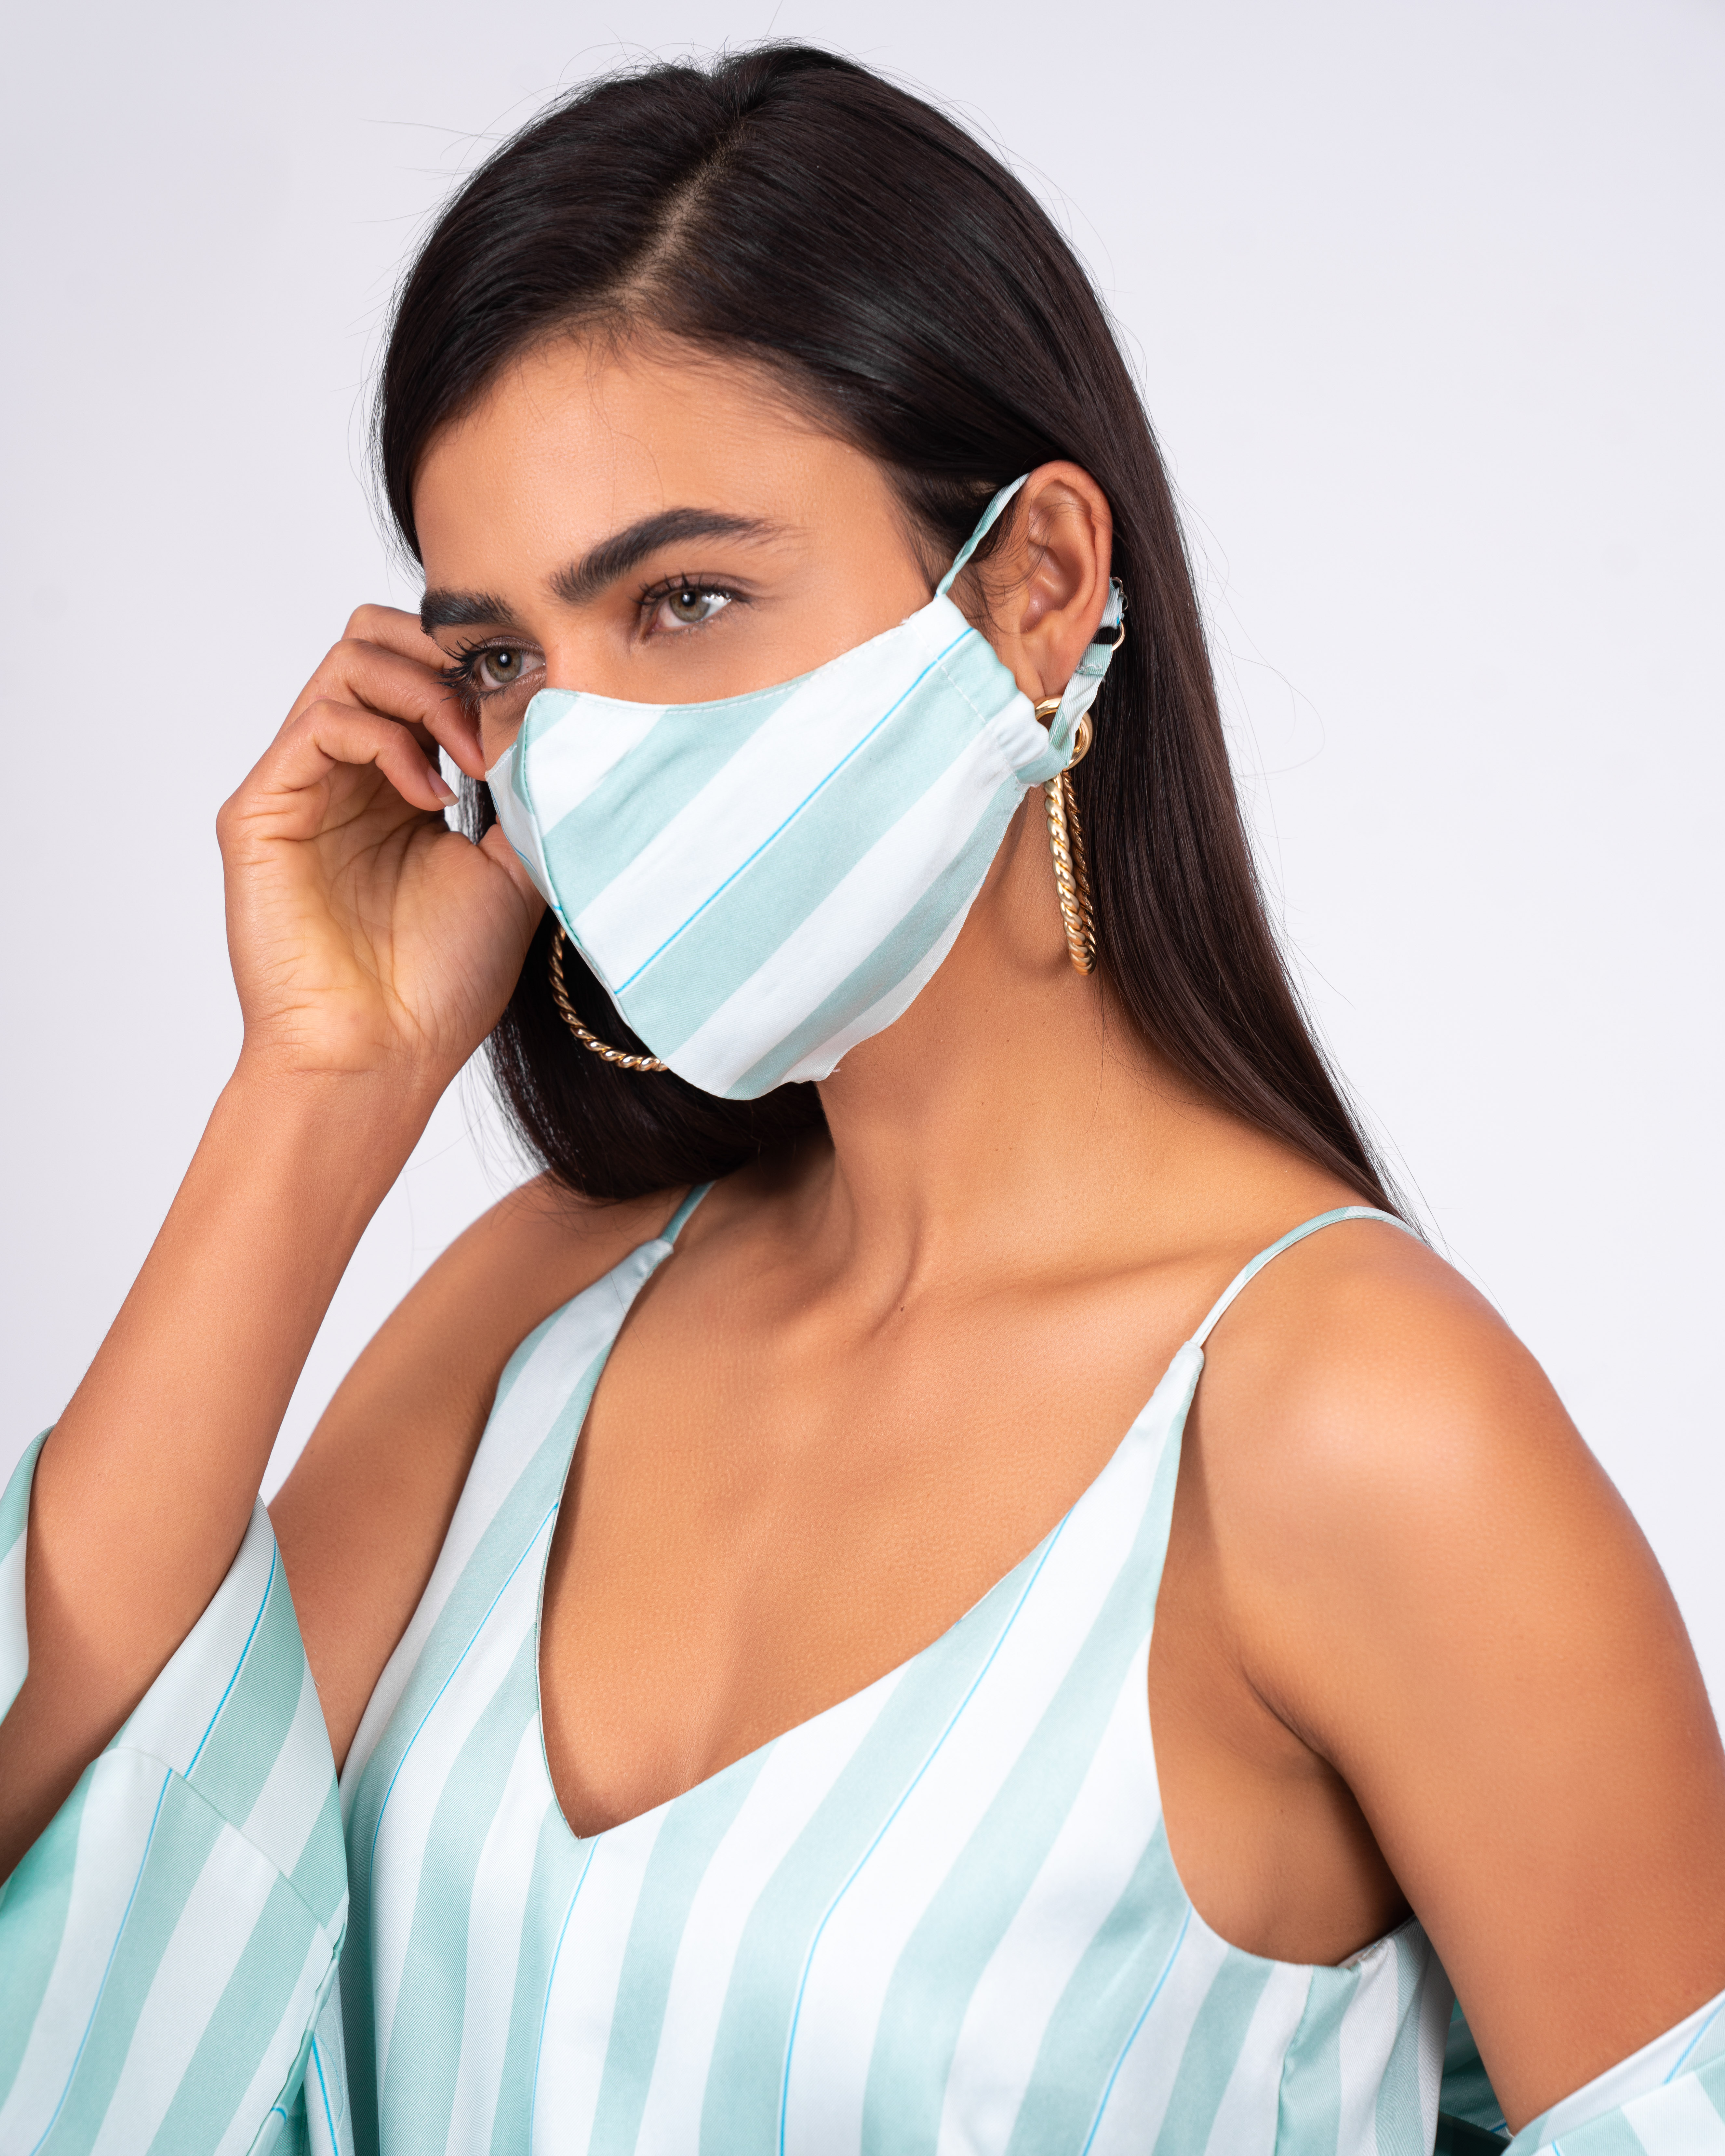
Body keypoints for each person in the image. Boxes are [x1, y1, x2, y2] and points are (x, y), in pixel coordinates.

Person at [2, 42, 1721, 2156]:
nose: (586, 751)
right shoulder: (543, 1307)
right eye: (510, 660)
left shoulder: (1356, 1427)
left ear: (1033, 589)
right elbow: (69, 1843)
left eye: (685, 600)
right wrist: (321, 1082)